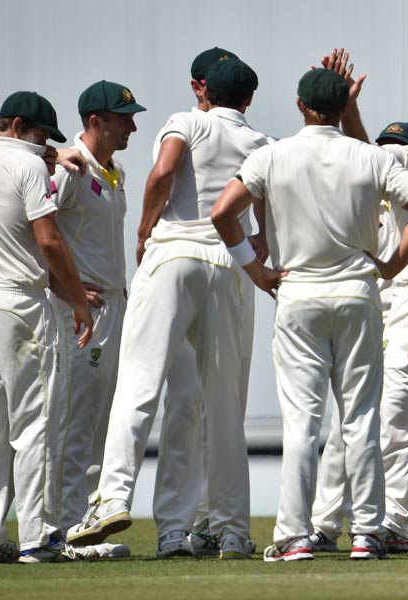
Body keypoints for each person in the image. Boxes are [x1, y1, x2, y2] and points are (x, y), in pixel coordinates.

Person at [211, 68, 408, 561]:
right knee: (360, 419)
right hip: (358, 294)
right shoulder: (372, 156)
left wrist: (256, 272)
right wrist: (393, 263)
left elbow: (222, 213)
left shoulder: (271, 155)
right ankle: (368, 534)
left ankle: (294, 535)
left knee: (303, 423)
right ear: (342, 109)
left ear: (299, 106)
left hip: (299, 297)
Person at [68, 58, 268, 560]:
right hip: (226, 268)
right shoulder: (262, 144)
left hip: (174, 256)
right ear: (248, 98)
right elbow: (265, 228)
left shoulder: (186, 121)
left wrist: (144, 231)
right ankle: (223, 530)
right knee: (214, 406)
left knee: (140, 382)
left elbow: (163, 171)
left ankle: (112, 498)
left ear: (201, 89)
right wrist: (254, 254)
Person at [310, 49, 408, 554]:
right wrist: (348, 106)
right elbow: (361, 149)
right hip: (396, 309)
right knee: (386, 418)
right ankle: (355, 521)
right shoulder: (401, 159)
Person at [0, 91, 94, 563]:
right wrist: (77, 300)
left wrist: (50, 152)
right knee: (34, 424)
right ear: (15, 124)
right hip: (18, 304)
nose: (42, 145)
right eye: (37, 135)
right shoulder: (31, 168)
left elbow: (12, 159)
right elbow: (50, 242)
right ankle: (39, 536)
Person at [50, 81, 145, 561]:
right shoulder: (69, 167)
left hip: (112, 306)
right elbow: (37, 232)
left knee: (101, 419)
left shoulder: (115, 170)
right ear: (95, 121)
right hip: (78, 311)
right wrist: (62, 288)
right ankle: (63, 529)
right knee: (74, 417)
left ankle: (85, 525)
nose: (132, 124)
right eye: (123, 117)